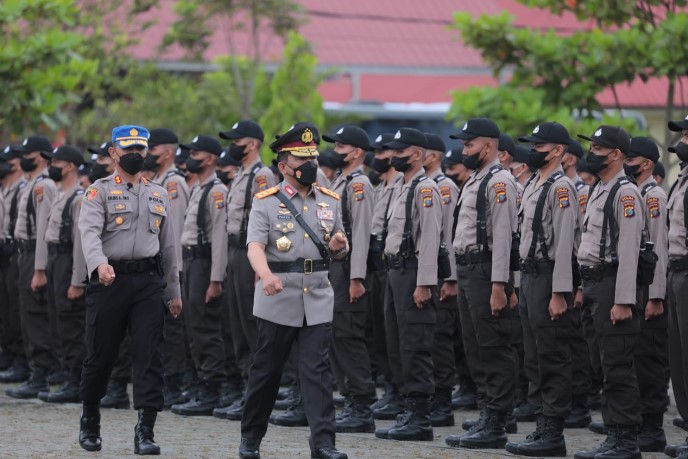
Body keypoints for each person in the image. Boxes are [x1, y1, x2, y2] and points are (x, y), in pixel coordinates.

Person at [238, 123, 349, 459]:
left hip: (317, 295)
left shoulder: (329, 200)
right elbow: (254, 246)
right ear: (283, 166)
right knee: (266, 372)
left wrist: (340, 245)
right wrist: (265, 274)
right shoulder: (265, 202)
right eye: (301, 159)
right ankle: (251, 438)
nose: (310, 164)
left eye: (312, 156)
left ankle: (324, 444)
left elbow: (336, 245)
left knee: (316, 371)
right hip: (278, 295)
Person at [77, 125, 182, 454]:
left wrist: (174, 291)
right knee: (100, 354)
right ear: (113, 153)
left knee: (150, 355)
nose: (135, 154)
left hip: (148, 283)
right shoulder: (99, 191)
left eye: (140, 148)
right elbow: (89, 233)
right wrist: (99, 264)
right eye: (128, 149)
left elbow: (169, 246)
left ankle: (145, 430)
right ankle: (90, 419)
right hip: (110, 281)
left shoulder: (159, 193)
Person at [445, 118, 519, 450]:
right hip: (469, 269)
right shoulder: (478, 178)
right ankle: (490, 411)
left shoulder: (499, 181)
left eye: (469, 145)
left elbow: (503, 237)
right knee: (475, 346)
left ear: (488, 146)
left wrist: (500, 284)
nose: (464, 151)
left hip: (487, 269)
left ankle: (498, 419)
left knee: (493, 346)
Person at [505, 122, 577, 457]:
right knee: (532, 356)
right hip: (531, 276)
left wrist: (560, 291)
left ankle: (553, 432)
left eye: (540, 146)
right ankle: (540, 424)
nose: (534, 151)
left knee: (551, 355)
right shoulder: (535, 183)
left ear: (559, 150)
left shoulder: (561, 188)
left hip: (550, 277)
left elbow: (564, 244)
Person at [573, 125, 643, 459]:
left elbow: (629, 251)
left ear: (616, 154)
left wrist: (623, 300)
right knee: (602, 365)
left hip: (613, 285)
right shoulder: (601, 189)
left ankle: (625, 441)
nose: (592, 153)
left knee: (617, 366)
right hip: (594, 284)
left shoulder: (624, 193)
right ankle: (614, 434)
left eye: (599, 148)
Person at [374, 127, 442, 442]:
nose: (393, 156)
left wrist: (425, 282)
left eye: (400, 151)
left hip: (413, 274)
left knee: (415, 345)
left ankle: (420, 417)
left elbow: (429, 238)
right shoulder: (402, 186)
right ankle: (407, 409)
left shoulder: (425, 188)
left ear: (416, 154)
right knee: (397, 344)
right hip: (395, 273)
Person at [215, 120, 276, 421]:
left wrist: (259, 265)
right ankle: (245, 390)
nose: (232, 145)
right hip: (234, 252)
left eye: (236, 140)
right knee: (237, 325)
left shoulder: (261, 175)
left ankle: (258, 394)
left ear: (251, 144)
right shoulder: (241, 174)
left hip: (248, 253)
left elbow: (264, 219)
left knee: (252, 327)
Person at [321, 125, 376, 434]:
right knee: (337, 336)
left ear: (356, 152)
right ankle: (350, 397)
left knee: (349, 336)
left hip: (348, 270)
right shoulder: (340, 182)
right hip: (335, 266)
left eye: (341, 147)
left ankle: (361, 404)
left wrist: (357, 277)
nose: (336, 151)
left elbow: (362, 234)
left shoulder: (359, 185)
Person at [171, 134, 228, 417]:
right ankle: (199, 383)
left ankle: (212, 388)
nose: (190, 157)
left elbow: (219, 238)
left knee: (205, 327)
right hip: (191, 262)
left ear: (210, 159)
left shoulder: (216, 191)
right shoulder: (198, 188)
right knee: (192, 325)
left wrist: (216, 279)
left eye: (196, 153)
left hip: (205, 264)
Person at [621, 136, 669, 453]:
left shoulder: (653, 196)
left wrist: (655, 295)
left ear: (646, 164)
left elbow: (658, 250)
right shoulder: (634, 193)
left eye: (631, 159)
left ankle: (652, 427)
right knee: (635, 357)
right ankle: (639, 419)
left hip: (649, 290)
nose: (626, 163)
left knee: (650, 359)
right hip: (636, 287)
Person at [5, 135, 59, 399]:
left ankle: (41, 374)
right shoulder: (32, 184)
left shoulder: (43, 186)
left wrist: (39, 268)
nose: (22, 159)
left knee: (34, 315)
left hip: (35, 254)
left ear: (38, 156)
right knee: (25, 313)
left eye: (27, 154)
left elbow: (42, 232)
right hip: (23, 253)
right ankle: (34, 370)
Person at [37, 145, 88, 404]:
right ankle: (68, 373)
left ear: (69, 166)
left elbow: (80, 243)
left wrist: (77, 280)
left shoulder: (78, 198)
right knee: (59, 321)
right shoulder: (60, 194)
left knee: (71, 324)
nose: (51, 166)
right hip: (56, 260)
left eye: (56, 162)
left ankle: (76, 379)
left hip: (68, 261)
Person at [146, 128, 191, 408]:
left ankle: (174, 384)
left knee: (174, 328)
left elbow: (173, 230)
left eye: (153, 148)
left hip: (172, 265)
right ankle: (166, 381)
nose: (148, 153)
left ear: (168, 152)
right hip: (157, 265)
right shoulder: (159, 181)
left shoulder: (173, 184)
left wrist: (172, 270)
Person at [85, 140, 133, 409]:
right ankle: (98, 396)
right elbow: (89, 236)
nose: (99, 163)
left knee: (128, 337)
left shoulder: (153, 190)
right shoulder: (98, 190)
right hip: (105, 271)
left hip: (137, 272)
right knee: (101, 337)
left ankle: (118, 387)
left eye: (102, 158)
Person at [366, 133, 405, 419]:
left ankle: (400, 393)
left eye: (383, 152)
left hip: (391, 265)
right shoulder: (381, 187)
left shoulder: (403, 187)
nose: (377, 157)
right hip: (376, 264)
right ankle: (391, 389)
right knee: (381, 334)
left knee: (396, 335)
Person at [423, 132, 460, 427]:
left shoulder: (443, 186)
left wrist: (450, 277)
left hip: (442, 273)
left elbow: (448, 234)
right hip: (427, 270)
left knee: (440, 339)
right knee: (426, 338)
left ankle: (443, 403)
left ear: (433, 155)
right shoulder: (419, 185)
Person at [560, 137, 596, 427]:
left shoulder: (581, 191)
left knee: (576, 341)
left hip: (576, 270)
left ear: (569, 158)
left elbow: (585, 238)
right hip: (558, 270)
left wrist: (582, 284)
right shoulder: (555, 186)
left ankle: (579, 404)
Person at [441, 147, 478, 411]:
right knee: (465, 338)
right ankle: (469, 388)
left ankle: (474, 391)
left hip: (469, 271)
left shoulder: (450, 189)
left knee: (462, 337)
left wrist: (450, 276)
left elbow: (449, 235)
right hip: (459, 269)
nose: (449, 173)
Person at [663, 114, 688, 459]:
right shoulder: (681, 180)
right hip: (677, 273)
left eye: (687, 134)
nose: (682, 141)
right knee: (680, 359)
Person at [0, 145, 29, 384]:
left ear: (16, 163)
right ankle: (9, 354)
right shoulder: (6, 188)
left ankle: (21, 360)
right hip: (5, 251)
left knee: (19, 310)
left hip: (18, 251)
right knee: (7, 308)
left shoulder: (22, 189)